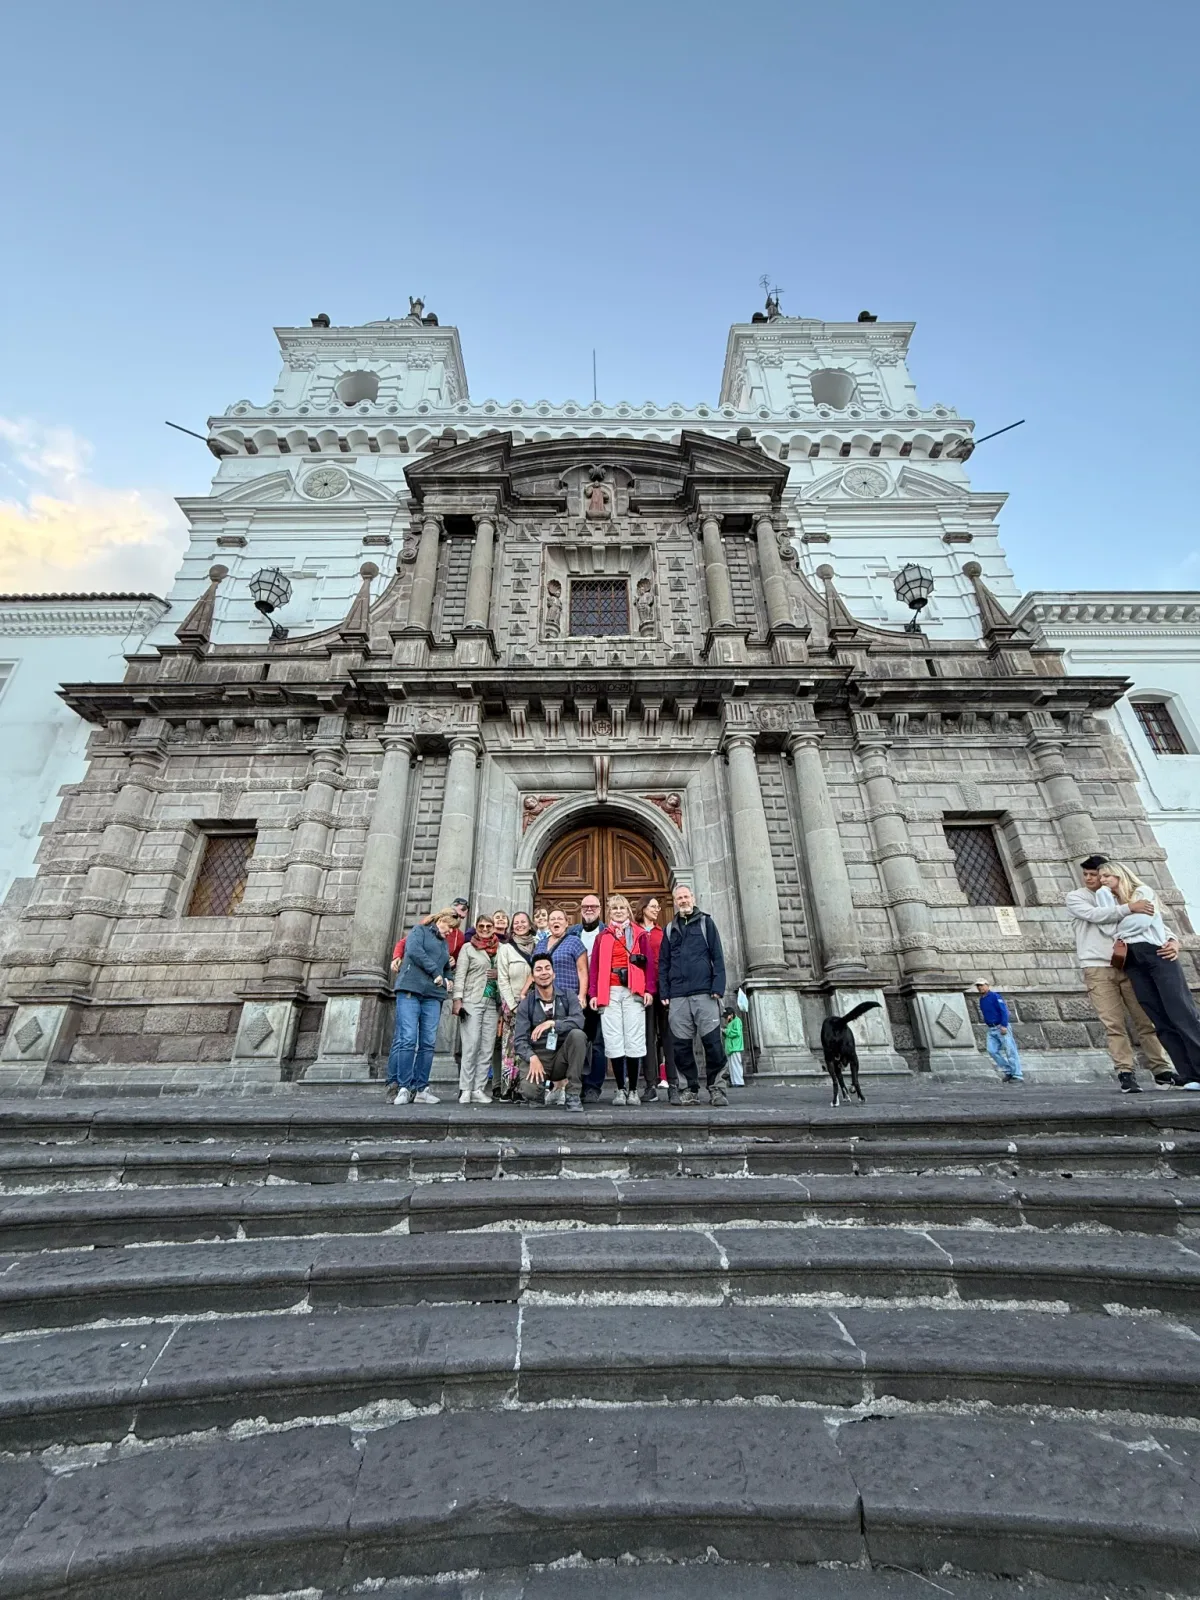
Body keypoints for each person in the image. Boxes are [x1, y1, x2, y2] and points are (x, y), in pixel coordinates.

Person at [1066, 855, 1177, 1092]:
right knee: (1113, 1024)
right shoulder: (1076, 897)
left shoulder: (1128, 894)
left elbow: (1152, 919)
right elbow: (1097, 916)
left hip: (1131, 963)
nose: (1090, 879)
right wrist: (1129, 908)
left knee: (1145, 1019)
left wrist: (1172, 939)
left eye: (1096, 875)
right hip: (1098, 967)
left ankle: (1162, 1070)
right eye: (1086, 874)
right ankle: (1125, 1072)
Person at [1097, 862, 1200, 1090]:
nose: (1102, 880)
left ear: (1119, 874)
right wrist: (1122, 912)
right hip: (1132, 961)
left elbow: (1141, 921)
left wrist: (1119, 927)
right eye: (1100, 876)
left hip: (1156, 954)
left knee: (1181, 1012)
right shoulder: (1111, 901)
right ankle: (1189, 1074)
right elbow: (1105, 929)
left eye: (1106, 876)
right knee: (1158, 1016)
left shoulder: (1142, 892)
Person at [658, 883, 728, 1107]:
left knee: (713, 1044)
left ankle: (717, 1089)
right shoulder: (669, 930)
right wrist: (665, 991)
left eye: (686, 897)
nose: (683, 901)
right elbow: (664, 963)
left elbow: (717, 956)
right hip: (678, 996)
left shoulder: (707, 923)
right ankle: (689, 1089)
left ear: (693, 898)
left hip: (705, 993)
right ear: (675, 902)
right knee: (681, 1048)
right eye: (679, 898)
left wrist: (718, 986)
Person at [588, 894, 653, 1106]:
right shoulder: (603, 937)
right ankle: (620, 1089)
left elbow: (650, 965)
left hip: (633, 990)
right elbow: (595, 967)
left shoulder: (640, 934)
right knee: (614, 1040)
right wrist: (594, 994)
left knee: (633, 1039)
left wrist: (649, 989)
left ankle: (634, 1089)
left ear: (628, 911)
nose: (618, 911)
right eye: (614, 908)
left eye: (621, 908)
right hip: (610, 992)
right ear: (609, 912)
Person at [387, 907, 457, 1105]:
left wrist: (448, 979)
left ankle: (421, 1088)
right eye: (450, 927)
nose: (451, 932)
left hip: (433, 996)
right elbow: (414, 951)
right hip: (410, 990)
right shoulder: (419, 931)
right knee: (408, 1039)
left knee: (427, 1042)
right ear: (441, 919)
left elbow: (446, 968)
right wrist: (436, 972)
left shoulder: (444, 945)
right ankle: (403, 1087)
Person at [513, 953, 588, 1110]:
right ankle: (541, 1092)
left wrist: (552, 1023)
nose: (544, 972)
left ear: (554, 974)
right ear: (533, 977)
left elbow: (579, 1021)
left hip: (563, 1056)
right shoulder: (526, 1004)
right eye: (539, 969)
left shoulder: (568, 996)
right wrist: (532, 1057)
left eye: (547, 968)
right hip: (539, 1057)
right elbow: (519, 1040)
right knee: (530, 1093)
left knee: (578, 1035)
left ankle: (573, 1094)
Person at [452, 914, 501, 1105]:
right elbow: (460, 974)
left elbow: (507, 972)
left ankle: (478, 1088)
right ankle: (465, 1088)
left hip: (492, 1003)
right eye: (481, 926)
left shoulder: (501, 949)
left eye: (489, 926)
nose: (485, 929)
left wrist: (499, 973)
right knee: (471, 1045)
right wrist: (457, 999)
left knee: (487, 1047)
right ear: (476, 927)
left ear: (494, 928)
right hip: (472, 1000)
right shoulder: (468, 947)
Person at [569, 893, 608, 1102]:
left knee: (599, 1042)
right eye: (585, 906)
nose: (589, 909)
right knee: (577, 1041)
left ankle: (593, 1086)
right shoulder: (572, 933)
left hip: (600, 995)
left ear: (600, 909)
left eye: (593, 906)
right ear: (581, 909)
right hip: (577, 995)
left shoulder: (608, 932)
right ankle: (576, 1084)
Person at [496, 911, 537, 1101]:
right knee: (511, 1048)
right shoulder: (505, 948)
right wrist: (512, 1006)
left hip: (535, 1005)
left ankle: (527, 1088)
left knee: (532, 1046)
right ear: (512, 927)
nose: (520, 925)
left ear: (530, 925)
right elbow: (502, 979)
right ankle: (509, 1089)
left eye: (523, 922)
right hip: (512, 1004)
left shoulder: (538, 945)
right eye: (517, 922)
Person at [637, 896, 667, 1101]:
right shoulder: (634, 931)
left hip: (662, 990)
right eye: (653, 906)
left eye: (658, 906)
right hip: (641, 991)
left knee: (666, 1037)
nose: (657, 909)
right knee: (646, 1037)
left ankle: (671, 1081)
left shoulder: (661, 933)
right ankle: (649, 1084)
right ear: (644, 908)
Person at [974, 981, 1023, 1082]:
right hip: (991, 1028)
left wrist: (1004, 1025)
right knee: (991, 1050)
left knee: (1010, 1050)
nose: (980, 987)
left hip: (1001, 1027)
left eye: (981, 985)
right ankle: (1008, 1071)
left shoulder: (995, 996)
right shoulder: (982, 1000)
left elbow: (1004, 1011)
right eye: (978, 986)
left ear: (987, 985)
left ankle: (1017, 1075)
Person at [723, 1007, 745, 1087]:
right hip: (730, 1047)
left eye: (727, 1016)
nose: (726, 1018)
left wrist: (726, 1031)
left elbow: (737, 1033)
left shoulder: (737, 1021)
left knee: (736, 1065)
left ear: (731, 1015)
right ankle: (734, 1081)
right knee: (732, 1066)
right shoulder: (731, 1022)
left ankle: (739, 1081)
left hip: (735, 1046)